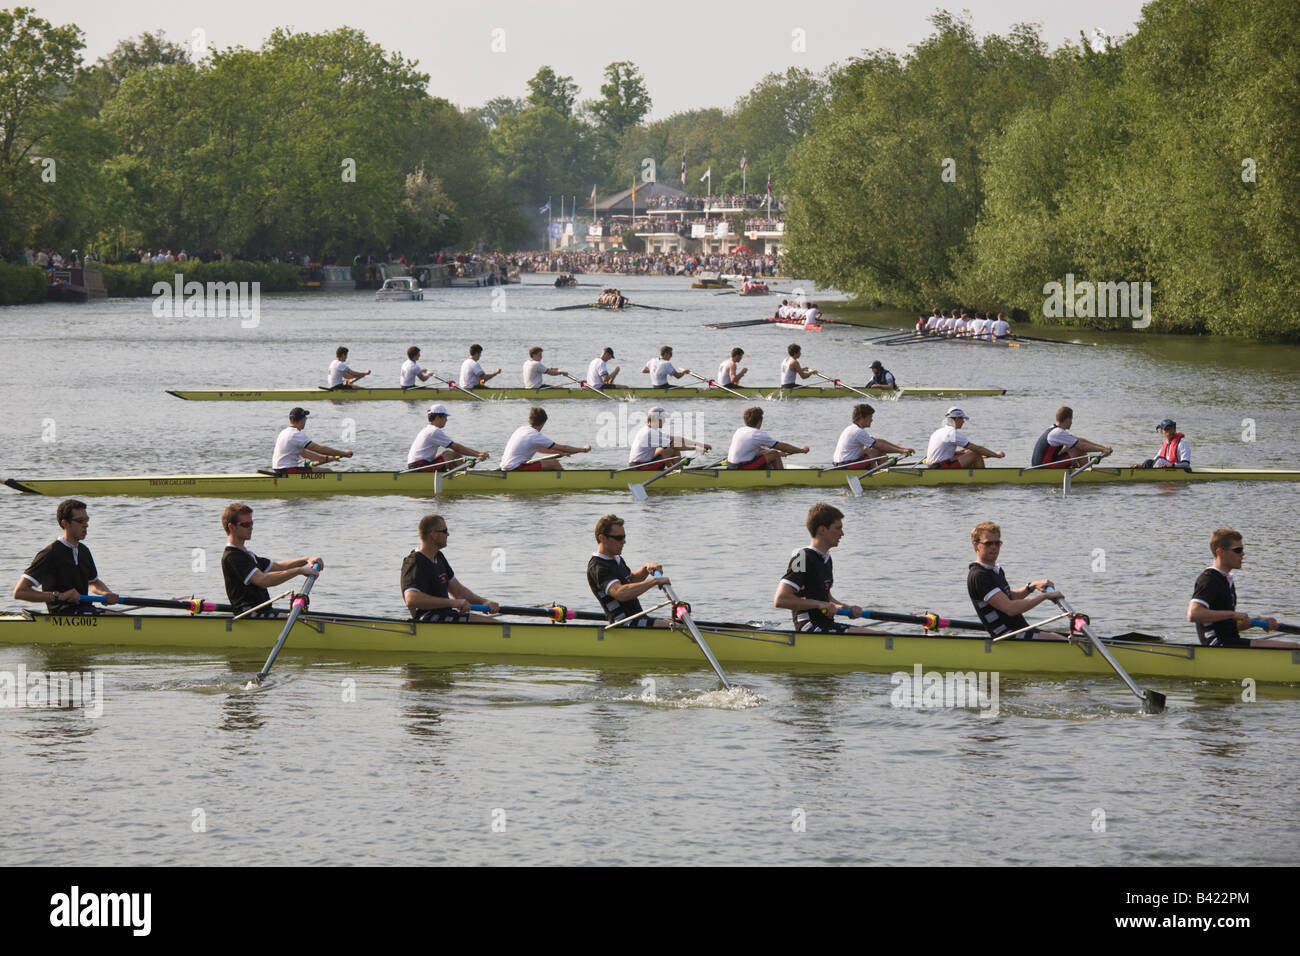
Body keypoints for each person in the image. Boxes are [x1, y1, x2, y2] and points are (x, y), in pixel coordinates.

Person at [773, 503, 876, 633]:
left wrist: (847, 608)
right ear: (822, 530)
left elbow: (825, 598)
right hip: (809, 627)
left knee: (882, 635)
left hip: (826, 625)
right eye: (838, 528)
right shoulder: (802, 557)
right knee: (882, 636)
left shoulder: (826, 559)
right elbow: (781, 599)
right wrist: (819, 604)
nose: (842, 534)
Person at [13, 499, 118, 615]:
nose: (86, 525)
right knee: (122, 620)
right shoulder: (49, 553)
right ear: (65, 524)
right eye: (80, 521)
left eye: (87, 520)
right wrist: (60, 596)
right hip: (63, 614)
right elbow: (20, 592)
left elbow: (93, 582)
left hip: (85, 611)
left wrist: (106, 593)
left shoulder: (84, 551)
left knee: (123, 618)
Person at [1186, 528, 1289, 647]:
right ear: (1220, 552)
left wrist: (1259, 622)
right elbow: (1193, 614)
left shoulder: (1226, 580)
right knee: (1295, 648)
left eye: (1242, 549)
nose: (1243, 554)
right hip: (1218, 646)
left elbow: (1228, 627)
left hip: (1229, 643)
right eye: (1238, 550)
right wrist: (1233, 614)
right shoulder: (1209, 579)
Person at [220, 502, 323, 617]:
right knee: (295, 619)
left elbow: (277, 567)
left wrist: (306, 559)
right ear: (231, 527)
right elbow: (263, 580)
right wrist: (299, 571)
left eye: (252, 523)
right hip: (249, 615)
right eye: (245, 524)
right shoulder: (232, 557)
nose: (251, 527)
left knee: (300, 617)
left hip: (263, 611)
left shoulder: (247, 555)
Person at [967, 521, 1063, 640]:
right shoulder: (979, 576)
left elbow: (1008, 596)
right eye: (988, 543)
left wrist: (1031, 587)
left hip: (1019, 631)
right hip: (1007, 637)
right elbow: (1010, 608)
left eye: (997, 543)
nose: (994, 547)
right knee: (1063, 641)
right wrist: (1045, 596)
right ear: (976, 546)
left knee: (1072, 639)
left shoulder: (995, 570)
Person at [401, 514, 499, 623]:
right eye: (444, 531)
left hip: (445, 615)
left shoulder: (439, 557)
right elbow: (411, 599)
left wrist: (484, 602)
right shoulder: (415, 561)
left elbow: (458, 592)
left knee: (496, 624)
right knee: (496, 626)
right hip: (428, 619)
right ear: (433, 535)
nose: (448, 534)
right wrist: (453, 603)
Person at [587, 515, 672, 628]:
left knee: (677, 623)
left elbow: (630, 580)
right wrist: (655, 581)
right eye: (619, 538)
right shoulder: (598, 567)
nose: (624, 541)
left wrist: (646, 568)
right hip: (624, 624)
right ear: (602, 538)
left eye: (624, 537)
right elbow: (621, 592)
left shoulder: (616, 559)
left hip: (638, 619)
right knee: (674, 626)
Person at [499, 407, 591, 471]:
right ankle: (567, 482)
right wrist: (584, 449)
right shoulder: (535, 435)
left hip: (505, 466)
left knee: (547, 463)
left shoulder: (521, 429)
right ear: (543, 423)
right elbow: (564, 447)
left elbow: (539, 449)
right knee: (554, 463)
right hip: (516, 468)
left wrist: (559, 453)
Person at [405, 404, 491, 472]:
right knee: (451, 454)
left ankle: (454, 474)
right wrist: (477, 454)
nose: (446, 420)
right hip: (419, 466)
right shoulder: (434, 431)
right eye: (445, 417)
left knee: (445, 454)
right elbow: (457, 448)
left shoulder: (427, 429)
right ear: (438, 417)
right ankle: (463, 479)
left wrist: (477, 453)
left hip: (417, 465)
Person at [272, 407, 354, 473]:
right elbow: (319, 449)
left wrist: (327, 459)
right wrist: (343, 453)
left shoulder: (284, 432)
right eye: (305, 417)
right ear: (302, 419)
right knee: (328, 472)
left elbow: (305, 454)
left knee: (311, 468)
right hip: (289, 470)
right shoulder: (296, 434)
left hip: (278, 469)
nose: (306, 420)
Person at [832, 404, 915, 468]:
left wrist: (902, 449)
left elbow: (879, 441)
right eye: (870, 417)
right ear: (862, 417)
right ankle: (883, 475)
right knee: (879, 450)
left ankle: (876, 470)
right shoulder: (858, 432)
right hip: (845, 465)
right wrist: (900, 451)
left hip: (841, 463)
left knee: (869, 449)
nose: (872, 420)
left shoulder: (852, 428)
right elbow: (880, 446)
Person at [628, 407, 712, 470]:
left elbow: (677, 439)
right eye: (663, 418)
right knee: (673, 449)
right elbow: (675, 446)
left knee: (668, 447)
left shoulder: (647, 429)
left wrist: (701, 444)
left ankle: (672, 470)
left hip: (639, 463)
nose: (664, 420)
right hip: (640, 466)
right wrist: (696, 448)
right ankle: (678, 474)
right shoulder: (651, 433)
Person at [726, 406, 809, 469]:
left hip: (730, 465)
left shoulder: (740, 430)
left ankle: (769, 474)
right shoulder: (757, 434)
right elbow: (784, 447)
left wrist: (767, 452)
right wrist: (802, 450)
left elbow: (756, 449)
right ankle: (781, 479)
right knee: (775, 454)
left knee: (768, 454)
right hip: (741, 467)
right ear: (760, 421)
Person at [1030, 406, 1113, 468]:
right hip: (1044, 467)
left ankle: (1076, 468)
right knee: (1079, 450)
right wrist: (1102, 450)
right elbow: (1082, 446)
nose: (1072, 422)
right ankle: (1086, 475)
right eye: (1071, 419)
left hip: (1040, 464)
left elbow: (1079, 440)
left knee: (1072, 447)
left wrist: (1103, 447)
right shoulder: (1058, 432)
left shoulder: (1054, 429)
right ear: (1067, 419)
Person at [925, 407, 1004, 469]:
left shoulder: (938, 431)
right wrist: (996, 455)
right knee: (975, 454)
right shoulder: (953, 432)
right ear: (956, 419)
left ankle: (969, 479)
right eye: (962, 419)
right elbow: (978, 449)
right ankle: (982, 480)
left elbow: (942, 451)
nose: (963, 421)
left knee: (968, 452)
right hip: (941, 467)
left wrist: (960, 452)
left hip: (933, 466)